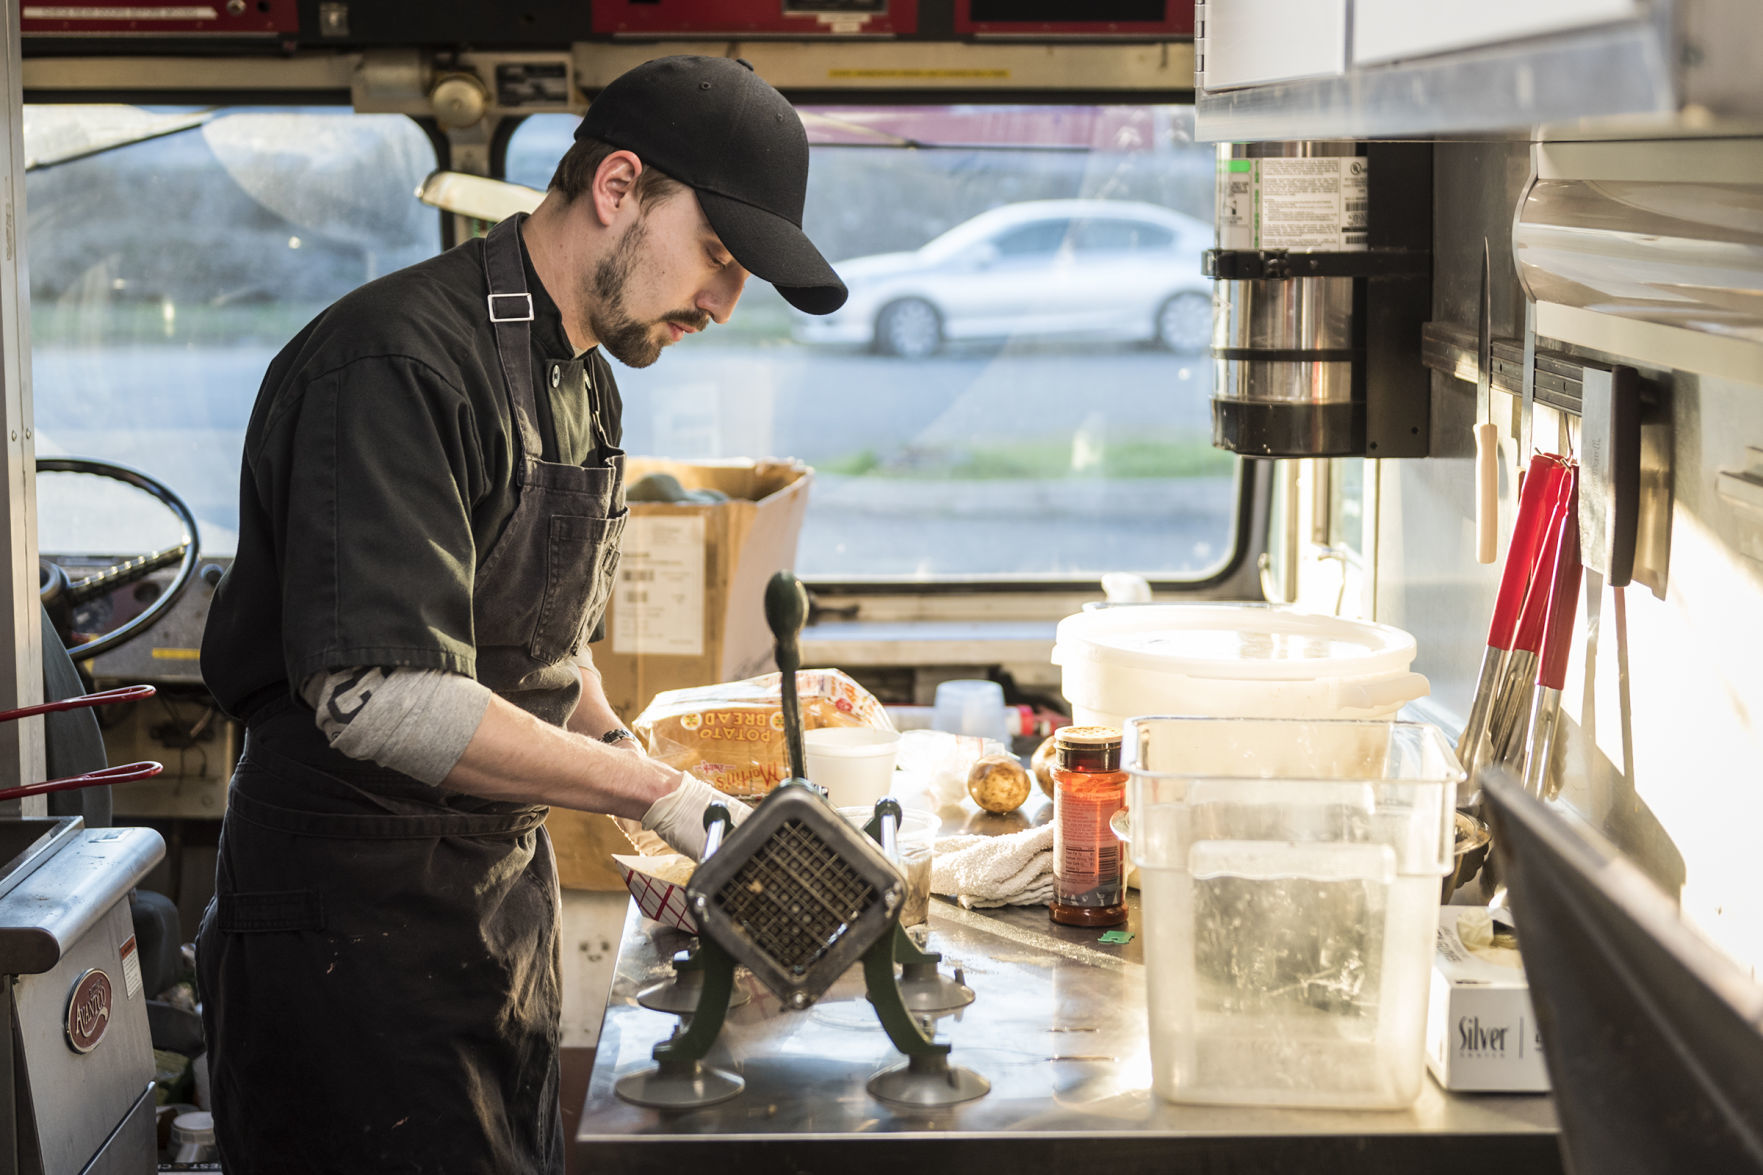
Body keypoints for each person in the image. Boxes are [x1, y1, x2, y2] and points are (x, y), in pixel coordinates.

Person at [194, 55, 846, 1174]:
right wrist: (664, 793)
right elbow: (385, 700)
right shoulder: (396, 364)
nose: (723, 304)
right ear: (618, 187)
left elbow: (541, 650)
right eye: (719, 257)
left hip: (487, 913)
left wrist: (634, 792)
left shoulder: (580, 375)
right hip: (346, 934)